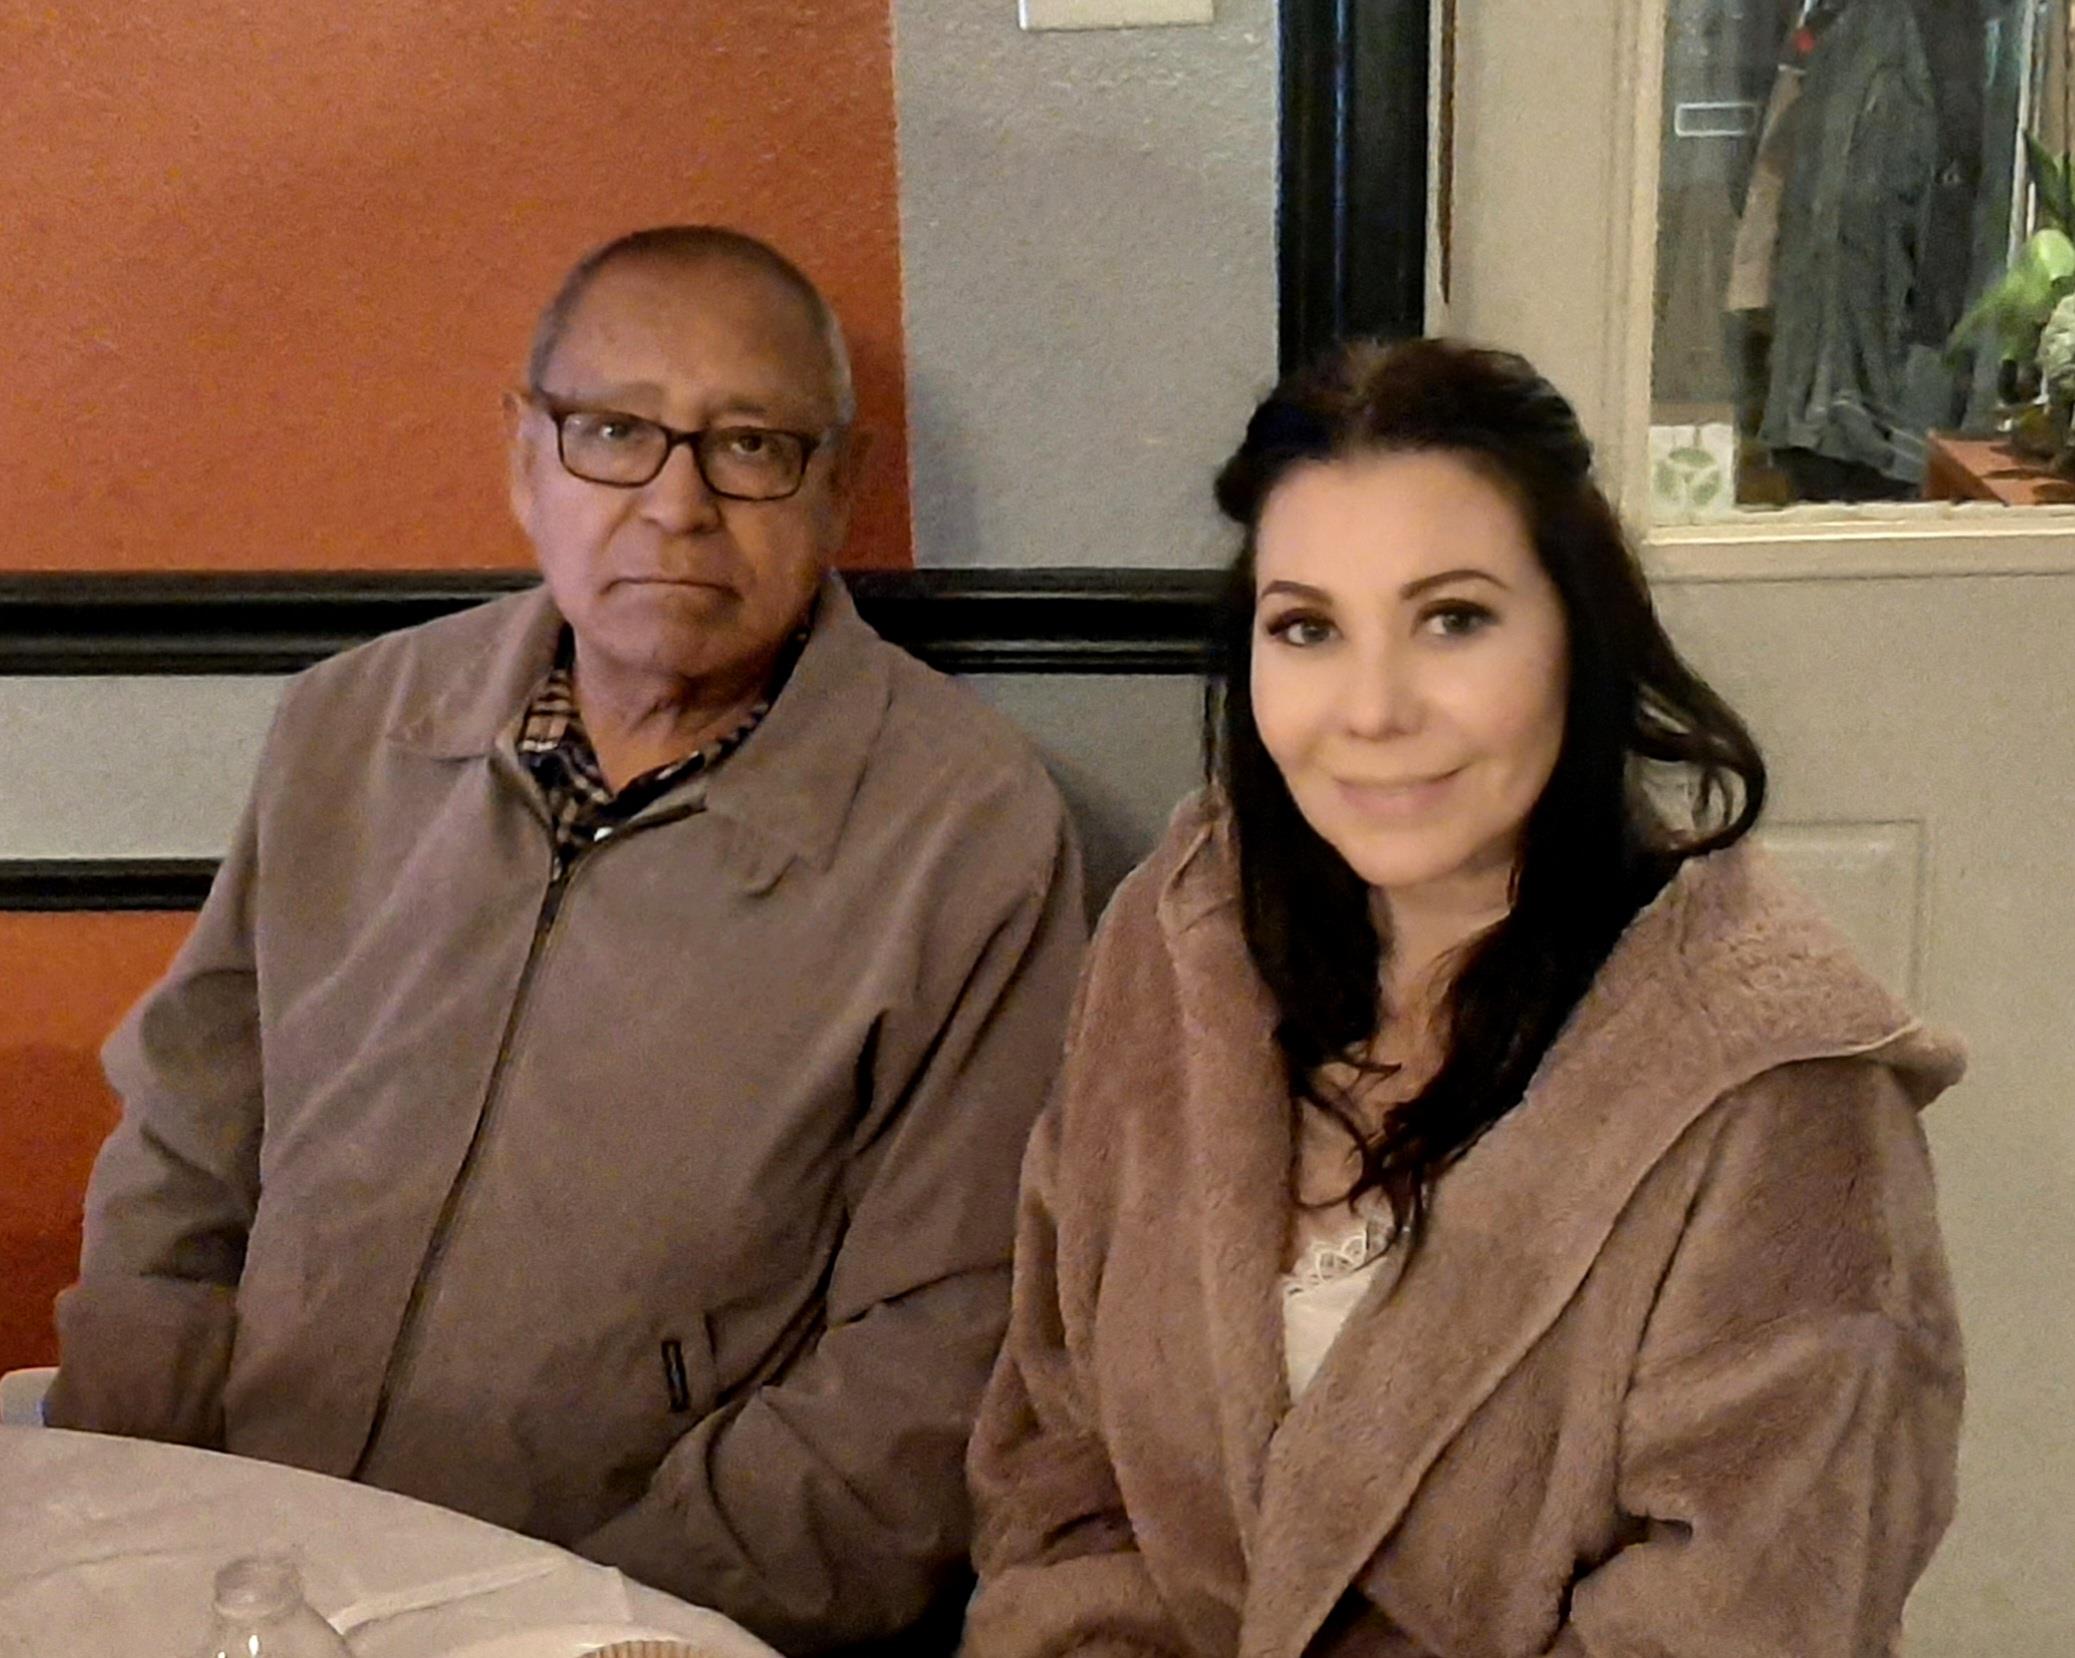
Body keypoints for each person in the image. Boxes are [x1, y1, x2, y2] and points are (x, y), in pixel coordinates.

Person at [47, 225, 1086, 1655]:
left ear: (836, 488)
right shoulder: (351, 724)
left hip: (634, 1615)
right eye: (613, 433)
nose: (678, 505)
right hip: (238, 1568)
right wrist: (142, 1507)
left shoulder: (965, 826)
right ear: (525, 459)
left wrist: (588, 1624)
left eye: (752, 446)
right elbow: (185, 1151)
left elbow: (940, 1344)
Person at [964, 338, 1963, 1657]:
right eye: (1307, 627)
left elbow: (1754, 1614)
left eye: (1453, 619)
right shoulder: (1176, 936)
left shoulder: (1781, 1092)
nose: (1372, 709)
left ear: (1580, 634)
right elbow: (1062, 1452)